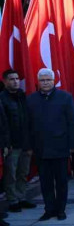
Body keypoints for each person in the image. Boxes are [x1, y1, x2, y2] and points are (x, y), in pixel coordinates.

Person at [28, 68, 74, 221]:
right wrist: (29, 146)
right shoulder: (31, 99)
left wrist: (72, 144)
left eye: (48, 80)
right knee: (45, 182)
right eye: (42, 80)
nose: (45, 82)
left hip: (61, 146)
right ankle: (49, 209)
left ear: (54, 80)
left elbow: (72, 122)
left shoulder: (65, 97)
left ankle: (61, 209)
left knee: (61, 181)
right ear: (38, 82)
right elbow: (27, 125)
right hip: (41, 148)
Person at [1, 70, 35, 216]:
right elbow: (3, 125)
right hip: (11, 144)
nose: (15, 81)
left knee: (23, 172)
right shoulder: (2, 98)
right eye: (11, 79)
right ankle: (12, 200)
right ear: (4, 81)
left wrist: (29, 143)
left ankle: (21, 197)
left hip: (25, 143)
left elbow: (28, 121)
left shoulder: (23, 96)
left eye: (16, 78)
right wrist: (6, 144)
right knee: (11, 174)